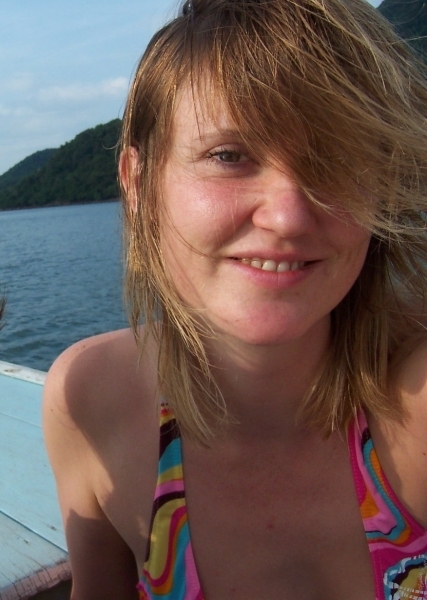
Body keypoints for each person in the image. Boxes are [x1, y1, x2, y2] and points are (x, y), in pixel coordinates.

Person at [43, 0, 427, 598]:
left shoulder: (417, 394)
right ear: (139, 184)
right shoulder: (92, 399)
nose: (289, 216)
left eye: (335, 159)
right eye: (229, 156)